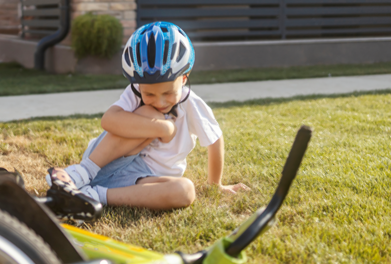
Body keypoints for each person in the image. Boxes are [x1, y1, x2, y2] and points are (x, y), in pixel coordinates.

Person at [47, 21, 249, 210]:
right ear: (139, 85)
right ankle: (79, 175)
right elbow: (108, 120)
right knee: (147, 113)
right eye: (149, 93)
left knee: (185, 191)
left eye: (168, 93)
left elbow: (215, 140)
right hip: (105, 164)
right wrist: (164, 128)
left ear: (184, 78)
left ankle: (92, 196)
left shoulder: (192, 104)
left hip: (145, 181)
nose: (160, 102)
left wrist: (216, 185)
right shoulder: (135, 92)